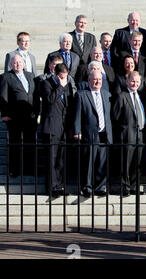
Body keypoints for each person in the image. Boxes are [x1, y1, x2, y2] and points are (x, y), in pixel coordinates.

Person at [74, 70, 113, 197]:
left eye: (100, 79)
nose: (97, 82)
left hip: (104, 133)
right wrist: (77, 131)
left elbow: (109, 116)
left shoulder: (107, 95)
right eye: (95, 79)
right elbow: (77, 115)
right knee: (89, 162)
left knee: (102, 161)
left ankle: (101, 187)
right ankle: (87, 187)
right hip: (89, 133)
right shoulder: (81, 95)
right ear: (89, 81)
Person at [0, 54, 39, 177]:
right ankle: (14, 169)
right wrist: (4, 114)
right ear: (11, 64)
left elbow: (36, 95)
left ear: (24, 63)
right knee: (15, 143)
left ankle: (30, 169)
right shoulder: (6, 77)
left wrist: (37, 112)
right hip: (14, 117)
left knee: (30, 143)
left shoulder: (30, 76)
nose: (18, 64)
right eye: (15, 62)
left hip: (30, 117)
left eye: (20, 62)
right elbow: (2, 97)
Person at [39, 63, 72, 197]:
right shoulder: (46, 84)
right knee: (52, 159)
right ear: (56, 75)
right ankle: (51, 187)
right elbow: (50, 100)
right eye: (62, 77)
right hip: (52, 127)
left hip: (63, 127)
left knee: (61, 159)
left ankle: (59, 186)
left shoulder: (66, 84)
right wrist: (60, 86)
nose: (64, 79)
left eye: (66, 77)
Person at [112, 71, 146, 196]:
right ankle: (125, 187)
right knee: (125, 162)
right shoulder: (122, 96)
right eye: (132, 81)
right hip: (127, 134)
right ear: (127, 81)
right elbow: (115, 116)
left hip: (140, 134)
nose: (135, 84)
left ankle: (134, 186)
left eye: (137, 82)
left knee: (137, 163)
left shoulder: (141, 95)